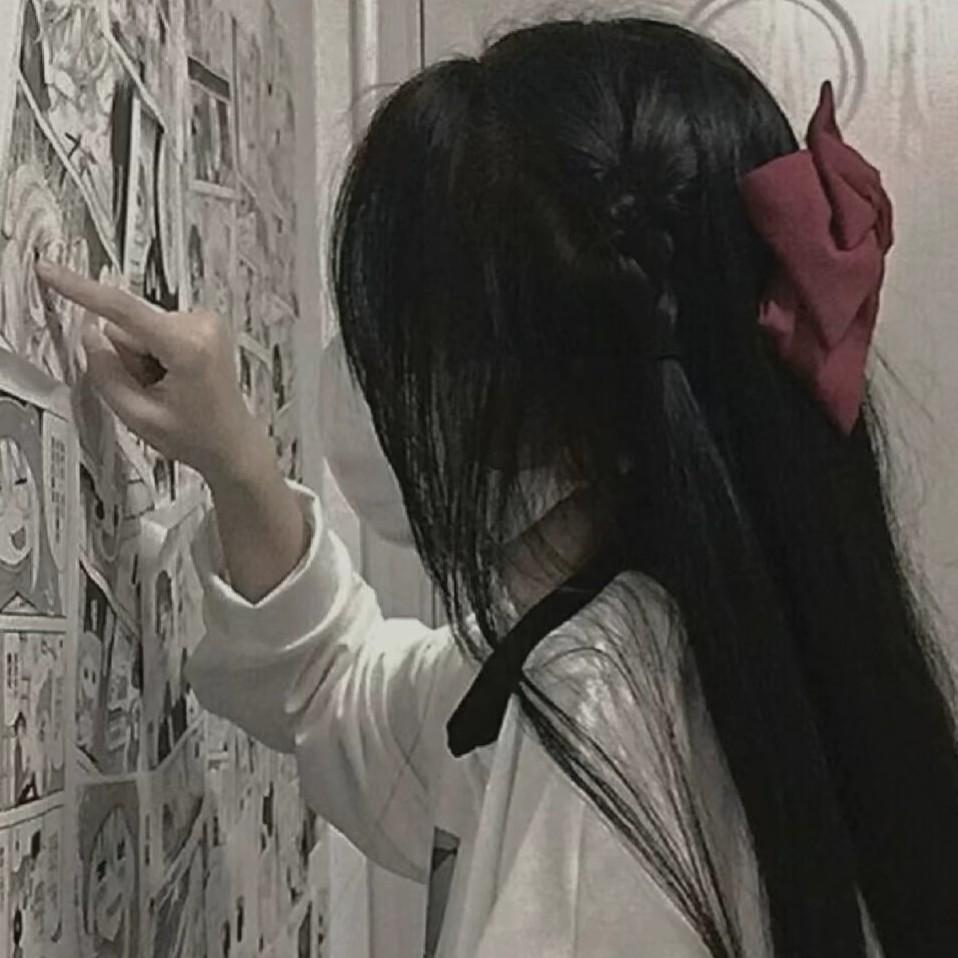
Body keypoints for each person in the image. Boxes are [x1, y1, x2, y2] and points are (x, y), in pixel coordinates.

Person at [36, 15, 958, 958]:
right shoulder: (716, 638)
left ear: (561, 412)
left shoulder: (607, 727)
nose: (376, 380)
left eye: (411, 341)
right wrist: (236, 463)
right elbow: (346, 698)